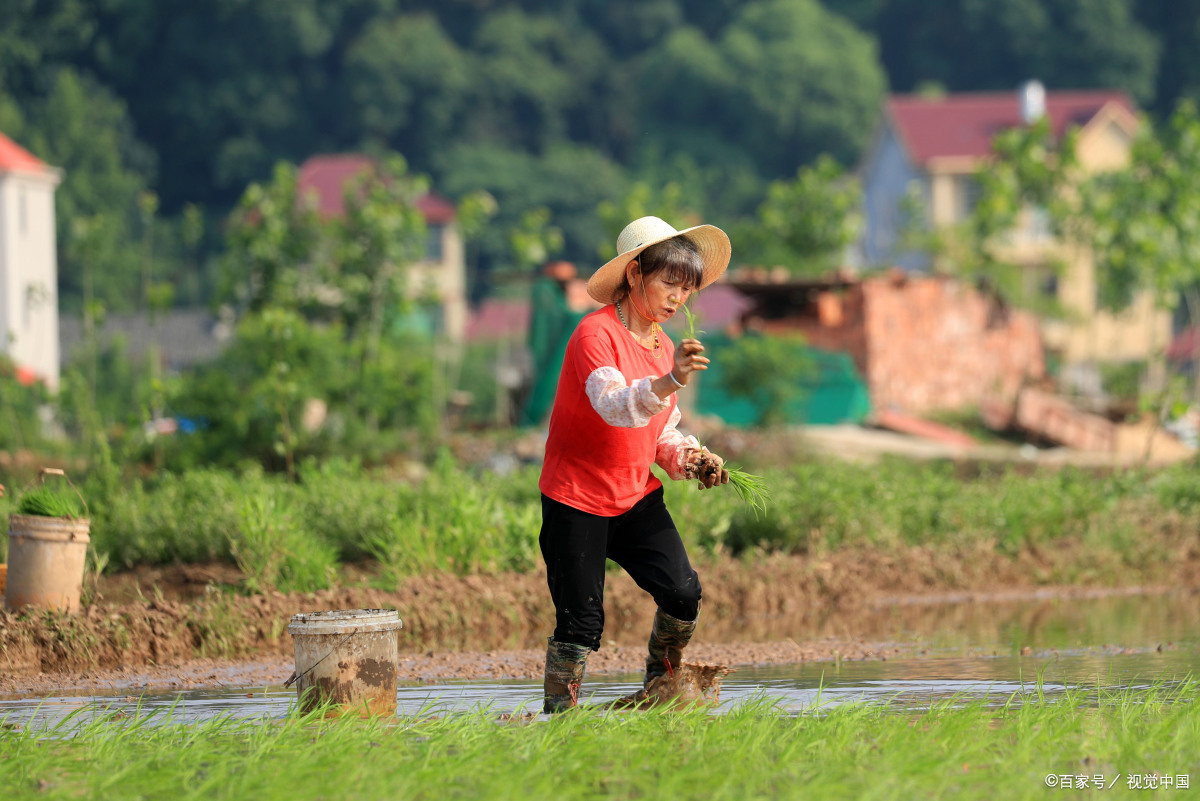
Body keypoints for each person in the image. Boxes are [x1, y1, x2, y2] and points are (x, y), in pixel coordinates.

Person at [537, 215, 733, 713]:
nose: (677, 298)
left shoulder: (664, 346)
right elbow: (616, 406)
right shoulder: (593, 335)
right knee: (581, 624)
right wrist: (670, 380)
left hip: (633, 495)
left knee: (683, 593)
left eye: (686, 288)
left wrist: (692, 458)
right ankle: (561, 720)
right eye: (669, 282)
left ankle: (660, 685)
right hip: (577, 498)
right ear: (634, 275)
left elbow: (660, 431)